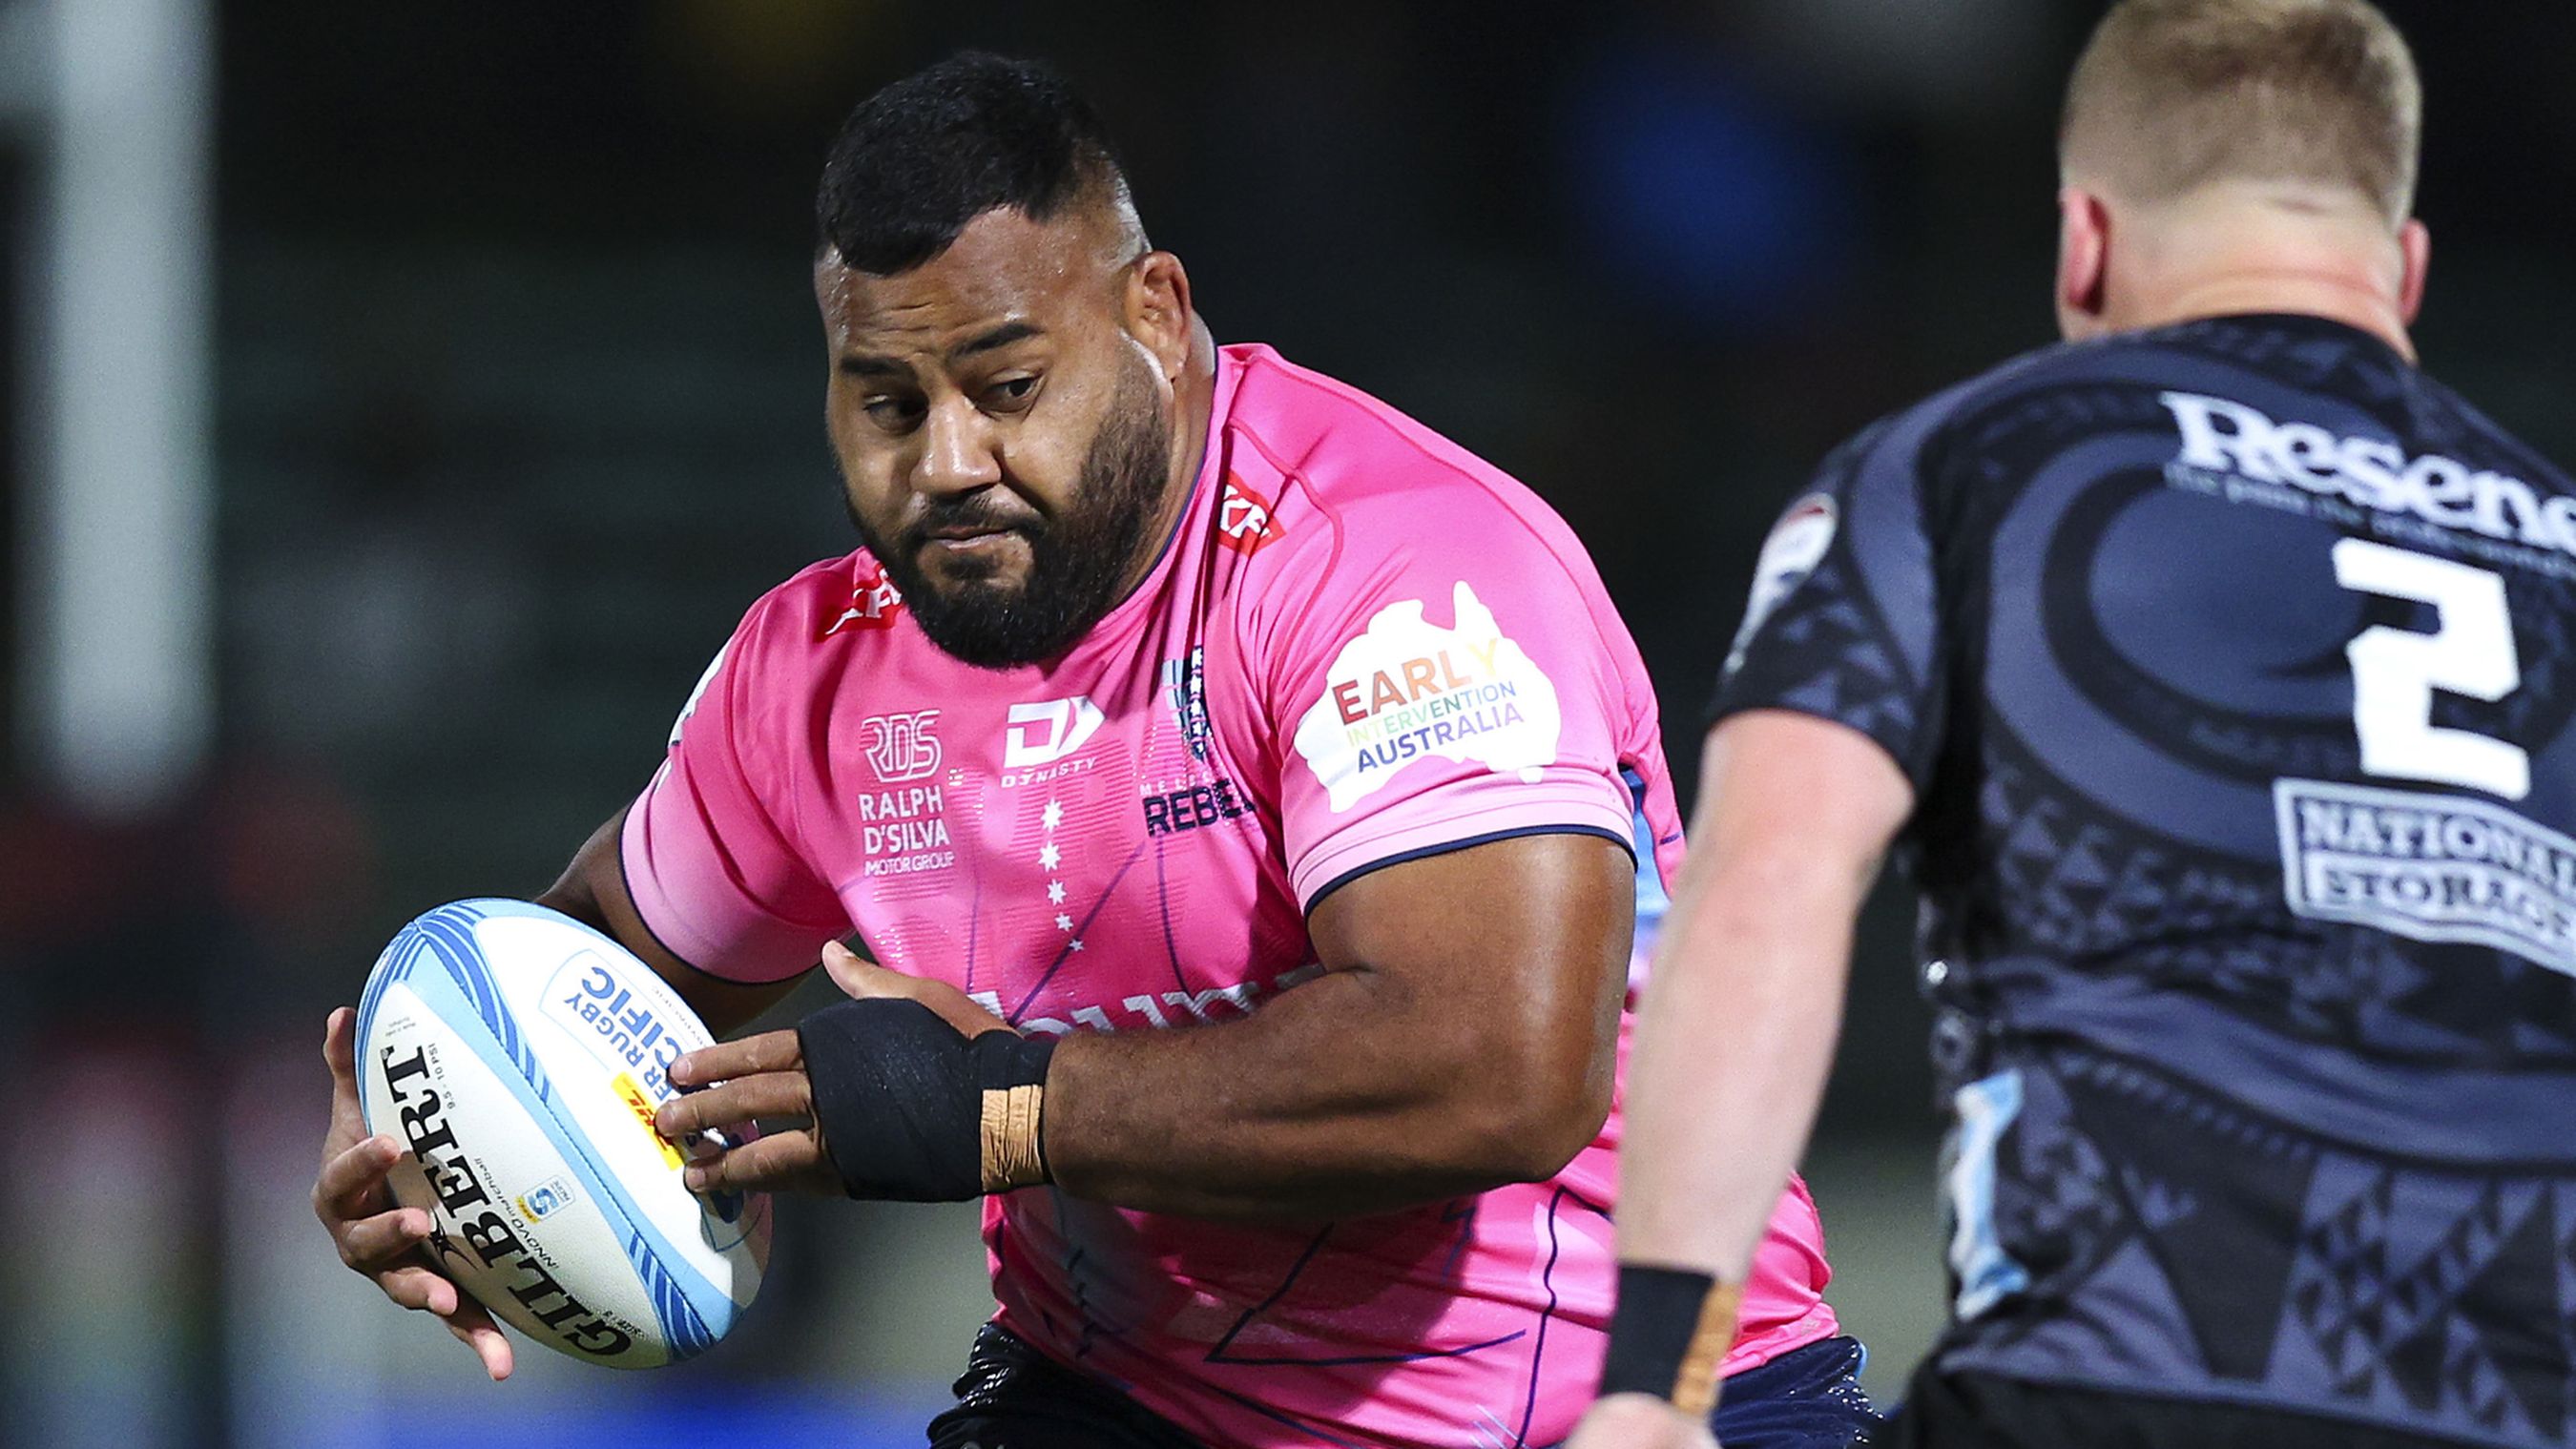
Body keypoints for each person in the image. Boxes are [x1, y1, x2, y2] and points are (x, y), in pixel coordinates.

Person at [310, 52, 1877, 1449]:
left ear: (1157, 318)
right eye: (884, 402)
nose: (949, 462)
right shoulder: (815, 676)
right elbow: (586, 993)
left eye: (1008, 386)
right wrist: (437, 1137)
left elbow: (1500, 1068)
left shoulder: (1397, 569)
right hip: (1120, 1400)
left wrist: (1007, 1107)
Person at [1569, 2, 2576, 1446]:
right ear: (2404, 269)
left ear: (2083, 243)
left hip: (2116, 1390)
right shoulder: (2562, 538)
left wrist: (1657, 1383)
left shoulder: (1963, 471)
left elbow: (1765, 890)